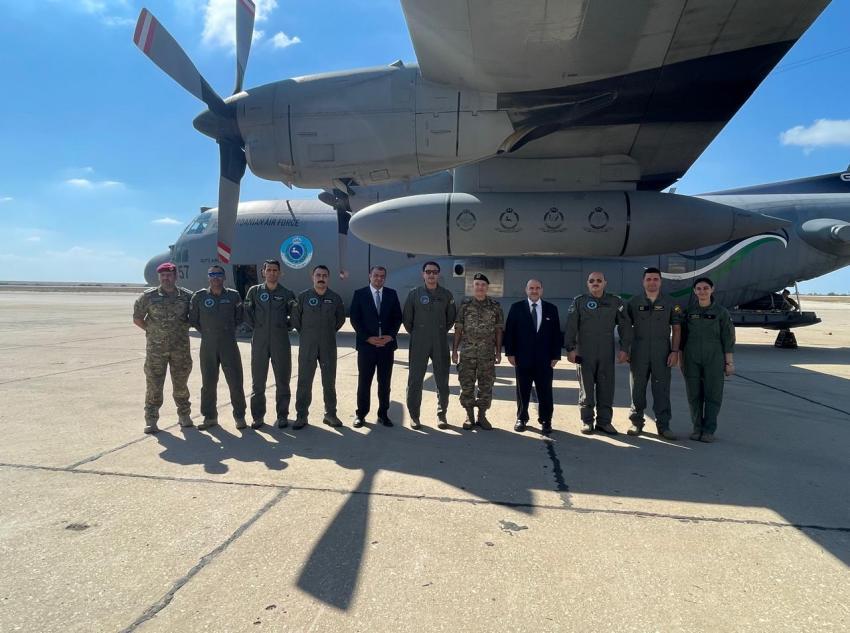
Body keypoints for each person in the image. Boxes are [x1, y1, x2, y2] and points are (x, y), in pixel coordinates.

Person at [565, 271, 632, 435]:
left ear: (605, 283)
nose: (595, 283)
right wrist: (570, 348)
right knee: (586, 388)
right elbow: (571, 326)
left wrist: (624, 348)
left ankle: (604, 422)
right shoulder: (579, 301)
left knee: (606, 387)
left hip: (606, 352)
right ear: (587, 284)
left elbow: (625, 325)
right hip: (584, 352)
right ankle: (587, 421)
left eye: (599, 280)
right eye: (592, 281)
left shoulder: (615, 301)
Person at [133, 262, 194, 434]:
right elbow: (137, 318)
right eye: (163, 275)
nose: (166, 278)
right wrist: (153, 332)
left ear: (175, 276)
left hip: (180, 349)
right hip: (156, 351)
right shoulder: (148, 297)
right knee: (154, 385)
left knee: (181, 384)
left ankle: (184, 415)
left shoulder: (187, 296)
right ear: (159, 277)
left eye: (169, 275)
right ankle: (151, 420)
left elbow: (194, 317)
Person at [626, 267, 683, 440]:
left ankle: (664, 425)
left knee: (662, 389)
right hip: (639, 351)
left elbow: (677, 328)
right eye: (649, 279)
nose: (652, 282)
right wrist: (626, 349)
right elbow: (626, 328)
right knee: (637, 388)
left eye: (655, 279)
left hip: (662, 352)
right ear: (643, 282)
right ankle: (636, 422)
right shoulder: (634, 302)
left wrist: (675, 351)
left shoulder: (671, 302)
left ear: (660, 281)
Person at [189, 265, 248, 430]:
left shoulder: (233, 296)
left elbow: (239, 317)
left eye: (219, 274)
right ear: (208, 277)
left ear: (224, 277)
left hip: (229, 344)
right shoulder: (199, 297)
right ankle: (210, 417)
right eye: (212, 274)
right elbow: (194, 320)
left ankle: (240, 416)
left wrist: (226, 331)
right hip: (208, 345)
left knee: (235, 381)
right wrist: (208, 332)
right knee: (208, 383)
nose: (215, 277)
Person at [402, 261, 457, 429]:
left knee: (442, 380)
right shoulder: (414, 294)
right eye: (428, 272)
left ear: (438, 274)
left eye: (434, 272)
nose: (431, 275)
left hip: (440, 340)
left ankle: (442, 415)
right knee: (415, 380)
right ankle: (414, 416)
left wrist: (438, 330)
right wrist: (420, 333)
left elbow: (451, 318)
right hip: (419, 341)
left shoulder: (446, 295)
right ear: (423, 274)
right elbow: (407, 320)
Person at [503, 279, 562, 435]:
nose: (534, 291)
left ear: (542, 290)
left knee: (545, 391)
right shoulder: (516, 308)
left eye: (537, 288)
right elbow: (510, 332)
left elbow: (556, 334)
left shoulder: (551, 309)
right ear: (526, 290)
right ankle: (521, 418)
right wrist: (510, 353)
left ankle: (546, 420)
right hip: (522, 358)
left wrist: (556, 355)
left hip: (545, 359)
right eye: (531, 288)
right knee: (522, 390)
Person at [681, 277, 736, 443]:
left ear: (712, 289)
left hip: (714, 358)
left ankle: (709, 430)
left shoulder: (721, 312)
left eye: (705, 288)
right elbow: (682, 337)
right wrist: (681, 359)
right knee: (693, 395)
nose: (702, 291)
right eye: (699, 288)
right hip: (691, 358)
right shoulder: (689, 312)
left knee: (713, 394)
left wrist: (729, 363)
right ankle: (697, 428)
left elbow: (728, 338)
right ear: (694, 291)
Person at [244, 259, 297, 429]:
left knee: (283, 380)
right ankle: (258, 417)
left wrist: (284, 327)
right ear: (263, 272)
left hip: (280, 341)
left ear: (280, 273)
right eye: (269, 270)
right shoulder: (254, 291)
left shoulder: (287, 293)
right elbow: (247, 312)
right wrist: (258, 327)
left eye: (275, 270)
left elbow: (294, 315)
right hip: (259, 341)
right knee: (258, 381)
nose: (272, 273)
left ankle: (282, 416)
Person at [291, 265, 346, 429]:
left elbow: (340, 320)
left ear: (328, 278)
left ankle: (330, 414)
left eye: (324, 275)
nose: (321, 278)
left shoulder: (335, 298)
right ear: (312, 277)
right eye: (318, 275)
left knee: (329, 381)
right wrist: (308, 333)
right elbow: (295, 320)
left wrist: (327, 332)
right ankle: (301, 416)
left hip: (328, 345)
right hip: (307, 345)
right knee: (304, 381)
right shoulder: (303, 297)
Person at [350, 266, 403, 428]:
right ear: (369, 276)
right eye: (376, 275)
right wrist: (368, 338)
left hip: (386, 347)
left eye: (382, 276)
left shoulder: (391, 294)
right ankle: (361, 414)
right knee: (364, 382)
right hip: (366, 347)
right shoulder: (360, 294)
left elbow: (397, 318)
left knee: (384, 383)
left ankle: (383, 414)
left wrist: (390, 336)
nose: (379, 278)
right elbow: (355, 319)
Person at [452, 273, 503, 430]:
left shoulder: (495, 306)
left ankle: (482, 416)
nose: (480, 287)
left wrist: (498, 352)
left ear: (487, 287)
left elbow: (499, 330)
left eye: (483, 285)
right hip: (467, 353)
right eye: (477, 284)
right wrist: (454, 351)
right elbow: (458, 329)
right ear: (473, 287)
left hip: (487, 354)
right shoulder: (465, 305)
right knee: (466, 385)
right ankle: (469, 415)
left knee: (486, 386)